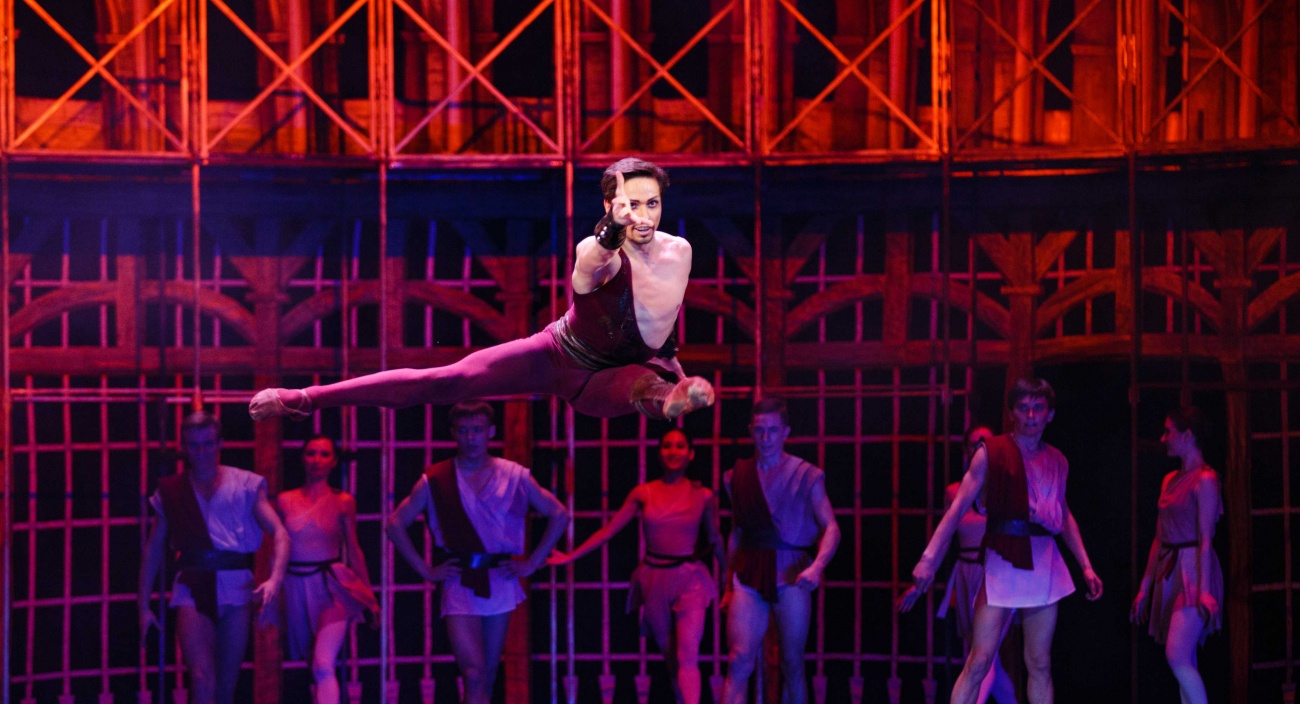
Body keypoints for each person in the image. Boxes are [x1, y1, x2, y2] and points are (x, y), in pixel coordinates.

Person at [249, 158, 714, 424]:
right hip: (559, 353)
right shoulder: (594, 251)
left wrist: (671, 358)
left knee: (644, 384)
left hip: (614, 376)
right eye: (631, 205)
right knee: (448, 381)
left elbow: (661, 310)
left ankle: (670, 398)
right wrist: (614, 226)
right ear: (611, 206)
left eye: (652, 204)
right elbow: (600, 254)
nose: (644, 216)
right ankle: (307, 397)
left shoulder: (680, 252)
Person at [909, 378, 1103, 704]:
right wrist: (928, 559)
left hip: (1043, 559)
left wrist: (1085, 565)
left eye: (1038, 408)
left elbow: (1064, 514)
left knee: (1039, 662)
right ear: (1012, 413)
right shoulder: (991, 451)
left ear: (1050, 414)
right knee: (979, 660)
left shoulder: (1058, 460)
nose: (1031, 415)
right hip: (1005, 556)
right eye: (1023, 408)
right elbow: (957, 509)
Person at [385, 401, 569, 704]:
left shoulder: (513, 475)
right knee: (472, 673)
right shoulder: (437, 479)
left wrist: (532, 563)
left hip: (500, 578)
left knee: (488, 675)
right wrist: (426, 570)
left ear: (490, 432)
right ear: (453, 433)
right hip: (460, 579)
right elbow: (395, 525)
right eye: (464, 430)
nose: (471, 438)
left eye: (478, 430)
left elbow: (559, 514)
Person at [549, 428, 726, 704]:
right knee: (671, 657)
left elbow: (715, 538)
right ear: (659, 452)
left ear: (690, 454)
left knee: (687, 654)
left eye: (680, 446)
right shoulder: (644, 493)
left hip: (689, 578)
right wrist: (571, 556)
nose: (673, 451)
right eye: (667, 445)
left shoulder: (703, 495)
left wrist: (728, 576)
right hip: (654, 579)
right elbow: (609, 530)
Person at [138, 411, 290, 704]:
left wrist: (275, 580)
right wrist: (142, 606)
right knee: (201, 677)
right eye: (194, 445)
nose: (201, 452)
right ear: (184, 447)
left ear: (220, 443)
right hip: (192, 584)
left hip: (236, 585)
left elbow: (280, 533)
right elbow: (153, 549)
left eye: (208, 444)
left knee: (225, 686)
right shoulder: (172, 490)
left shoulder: (245, 484)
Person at [721, 398, 840, 704]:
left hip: (792, 570)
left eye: (773, 430)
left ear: (785, 432)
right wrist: (728, 584)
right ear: (751, 430)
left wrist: (817, 567)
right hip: (750, 569)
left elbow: (832, 528)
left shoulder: (806, 474)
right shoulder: (737, 476)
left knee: (792, 663)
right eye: (760, 430)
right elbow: (736, 532)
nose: (766, 438)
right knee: (738, 659)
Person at [898, 425, 1018, 704]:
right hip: (966, 574)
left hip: (998, 575)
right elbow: (945, 536)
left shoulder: (1008, 488)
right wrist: (920, 584)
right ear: (966, 451)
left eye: (986, 443)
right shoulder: (955, 493)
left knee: (984, 655)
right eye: (974, 444)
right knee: (987, 658)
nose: (980, 449)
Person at [272, 435, 379, 704]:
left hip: (332, 586)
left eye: (324, 454)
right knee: (313, 663)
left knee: (322, 663)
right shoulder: (285, 500)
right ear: (302, 458)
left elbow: (354, 549)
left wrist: (369, 597)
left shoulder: (343, 501)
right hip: (296, 586)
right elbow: (273, 550)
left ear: (333, 461)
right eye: (311, 453)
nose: (316, 460)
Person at [1129, 407, 1223, 704]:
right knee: (1185, 657)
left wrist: (1204, 591)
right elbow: (1160, 538)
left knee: (1177, 655)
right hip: (1169, 567)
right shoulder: (1169, 479)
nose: (1163, 438)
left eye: (1169, 432)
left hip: (1194, 567)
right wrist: (1145, 588)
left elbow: (1206, 538)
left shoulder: (1205, 479)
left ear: (1188, 435)